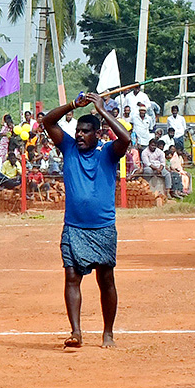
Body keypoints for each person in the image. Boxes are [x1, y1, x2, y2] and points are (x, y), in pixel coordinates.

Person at [41, 92, 130, 349]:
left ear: (97, 134)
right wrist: (73, 105)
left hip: (102, 228)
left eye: (85, 131)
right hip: (74, 227)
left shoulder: (108, 154)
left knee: (106, 280)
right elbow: (47, 122)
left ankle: (108, 333)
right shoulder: (68, 148)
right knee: (71, 276)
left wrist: (101, 110)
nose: (79, 135)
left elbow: (125, 138)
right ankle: (76, 332)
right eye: (78, 131)